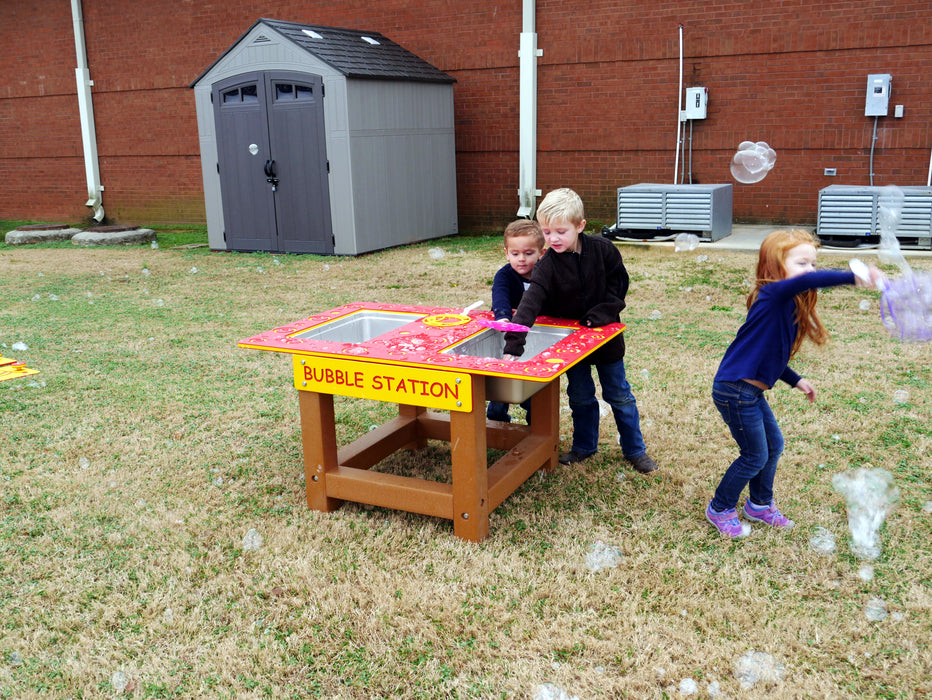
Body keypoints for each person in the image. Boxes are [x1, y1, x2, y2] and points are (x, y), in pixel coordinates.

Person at [706, 229, 883, 538]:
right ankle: (720, 507)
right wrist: (853, 276)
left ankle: (759, 505)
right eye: (802, 263)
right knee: (754, 455)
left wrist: (796, 379)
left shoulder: (784, 306)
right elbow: (804, 282)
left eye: (813, 263)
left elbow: (769, 356)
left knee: (774, 446)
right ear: (774, 266)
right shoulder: (773, 293)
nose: (810, 271)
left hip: (749, 391)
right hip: (734, 390)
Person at [502, 188, 658, 474]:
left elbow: (618, 287)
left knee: (619, 395)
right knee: (580, 396)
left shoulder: (604, 250)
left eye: (561, 231)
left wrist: (600, 315)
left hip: (606, 340)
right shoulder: (546, 265)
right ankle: (584, 446)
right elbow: (530, 303)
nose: (553, 239)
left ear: (580, 226)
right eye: (547, 232)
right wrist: (514, 343)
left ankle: (636, 450)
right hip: (571, 345)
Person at [487, 219, 546, 423]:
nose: (521, 259)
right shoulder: (504, 275)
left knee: (531, 385)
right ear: (506, 253)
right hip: (508, 337)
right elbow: (500, 295)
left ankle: (535, 424)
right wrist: (503, 316)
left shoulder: (545, 275)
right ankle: (496, 418)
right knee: (503, 380)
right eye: (515, 254)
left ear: (542, 252)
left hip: (537, 336)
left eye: (528, 253)